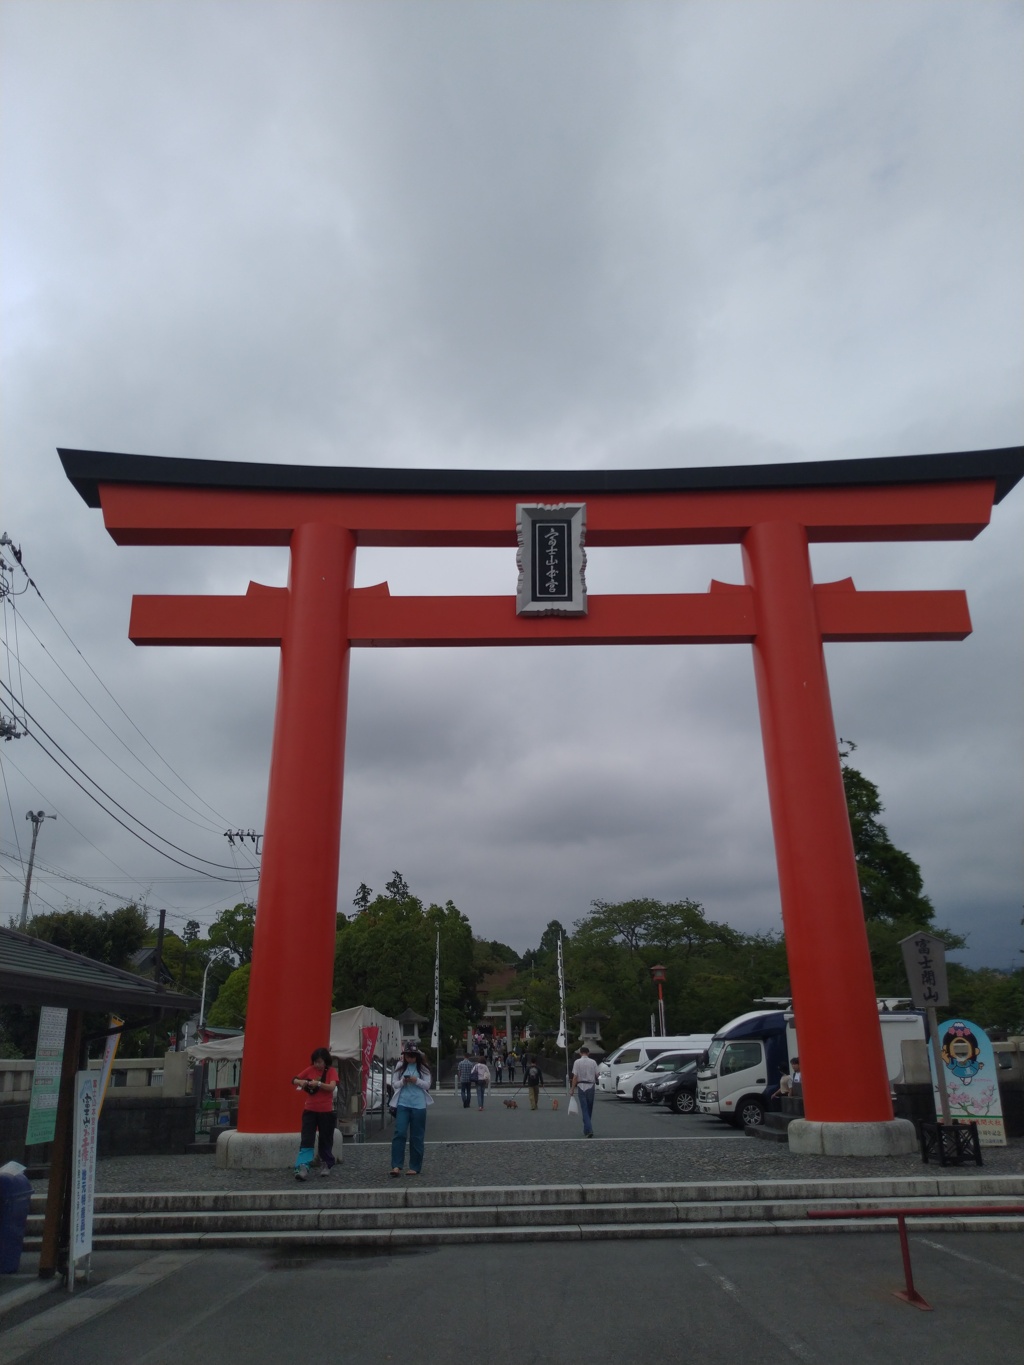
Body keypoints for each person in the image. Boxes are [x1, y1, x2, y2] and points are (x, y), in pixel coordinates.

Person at [291, 1046, 339, 1180]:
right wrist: (302, 1081)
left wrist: (318, 1084)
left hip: (326, 1111)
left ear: (325, 1061)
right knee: (307, 1137)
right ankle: (303, 1165)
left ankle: (326, 1163)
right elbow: (294, 1079)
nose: (317, 1064)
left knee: (325, 1138)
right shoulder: (310, 1070)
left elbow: (332, 1087)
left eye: (320, 1061)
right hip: (310, 1110)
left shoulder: (331, 1071)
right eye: (315, 1061)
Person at [389, 1045, 432, 1176]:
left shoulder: (423, 1068)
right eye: (407, 1055)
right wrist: (403, 1081)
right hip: (403, 1103)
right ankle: (396, 1165)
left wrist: (416, 1080)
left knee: (416, 1136)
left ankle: (415, 1165)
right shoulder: (400, 1066)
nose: (410, 1058)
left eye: (412, 1056)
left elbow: (427, 1085)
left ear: (417, 1056)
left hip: (419, 1105)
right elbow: (394, 1084)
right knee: (399, 1132)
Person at [570, 1045, 599, 1138]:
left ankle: (588, 1129)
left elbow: (575, 1077)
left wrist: (572, 1088)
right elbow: (597, 1075)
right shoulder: (593, 1062)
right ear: (588, 1053)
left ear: (580, 1053)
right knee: (589, 1108)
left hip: (581, 1086)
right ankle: (587, 1128)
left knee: (584, 1109)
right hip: (590, 1085)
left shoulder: (577, 1062)